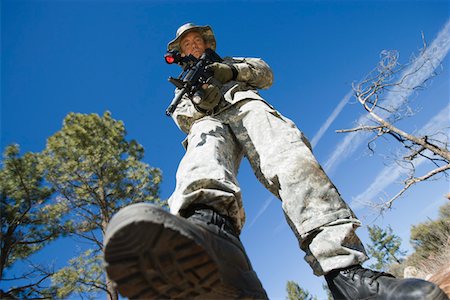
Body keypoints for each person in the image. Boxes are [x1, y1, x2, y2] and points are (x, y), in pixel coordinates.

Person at [103, 23, 448, 300]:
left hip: (247, 108)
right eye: (185, 45)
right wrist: (201, 100)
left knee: (292, 161)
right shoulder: (181, 89)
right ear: (179, 55)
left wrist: (229, 73)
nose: (191, 46)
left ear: (206, 42)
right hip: (209, 121)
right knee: (202, 146)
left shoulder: (232, 62)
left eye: (195, 40)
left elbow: (265, 73)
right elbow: (182, 117)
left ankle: (346, 274)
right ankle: (209, 237)